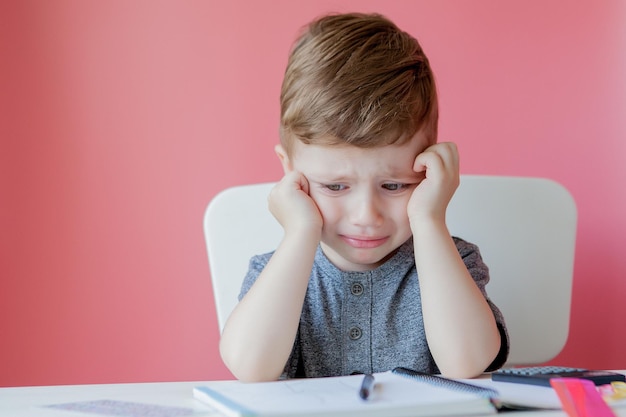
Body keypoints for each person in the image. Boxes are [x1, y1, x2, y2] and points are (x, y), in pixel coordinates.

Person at [219, 12, 509, 382]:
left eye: (394, 185)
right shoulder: (275, 273)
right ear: (290, 170)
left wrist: (429, 219)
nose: (366, 215)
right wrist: (300, 232)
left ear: (428, 171)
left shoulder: (452, 261)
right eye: (335, 187)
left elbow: (466, 363)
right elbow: (250, 368)